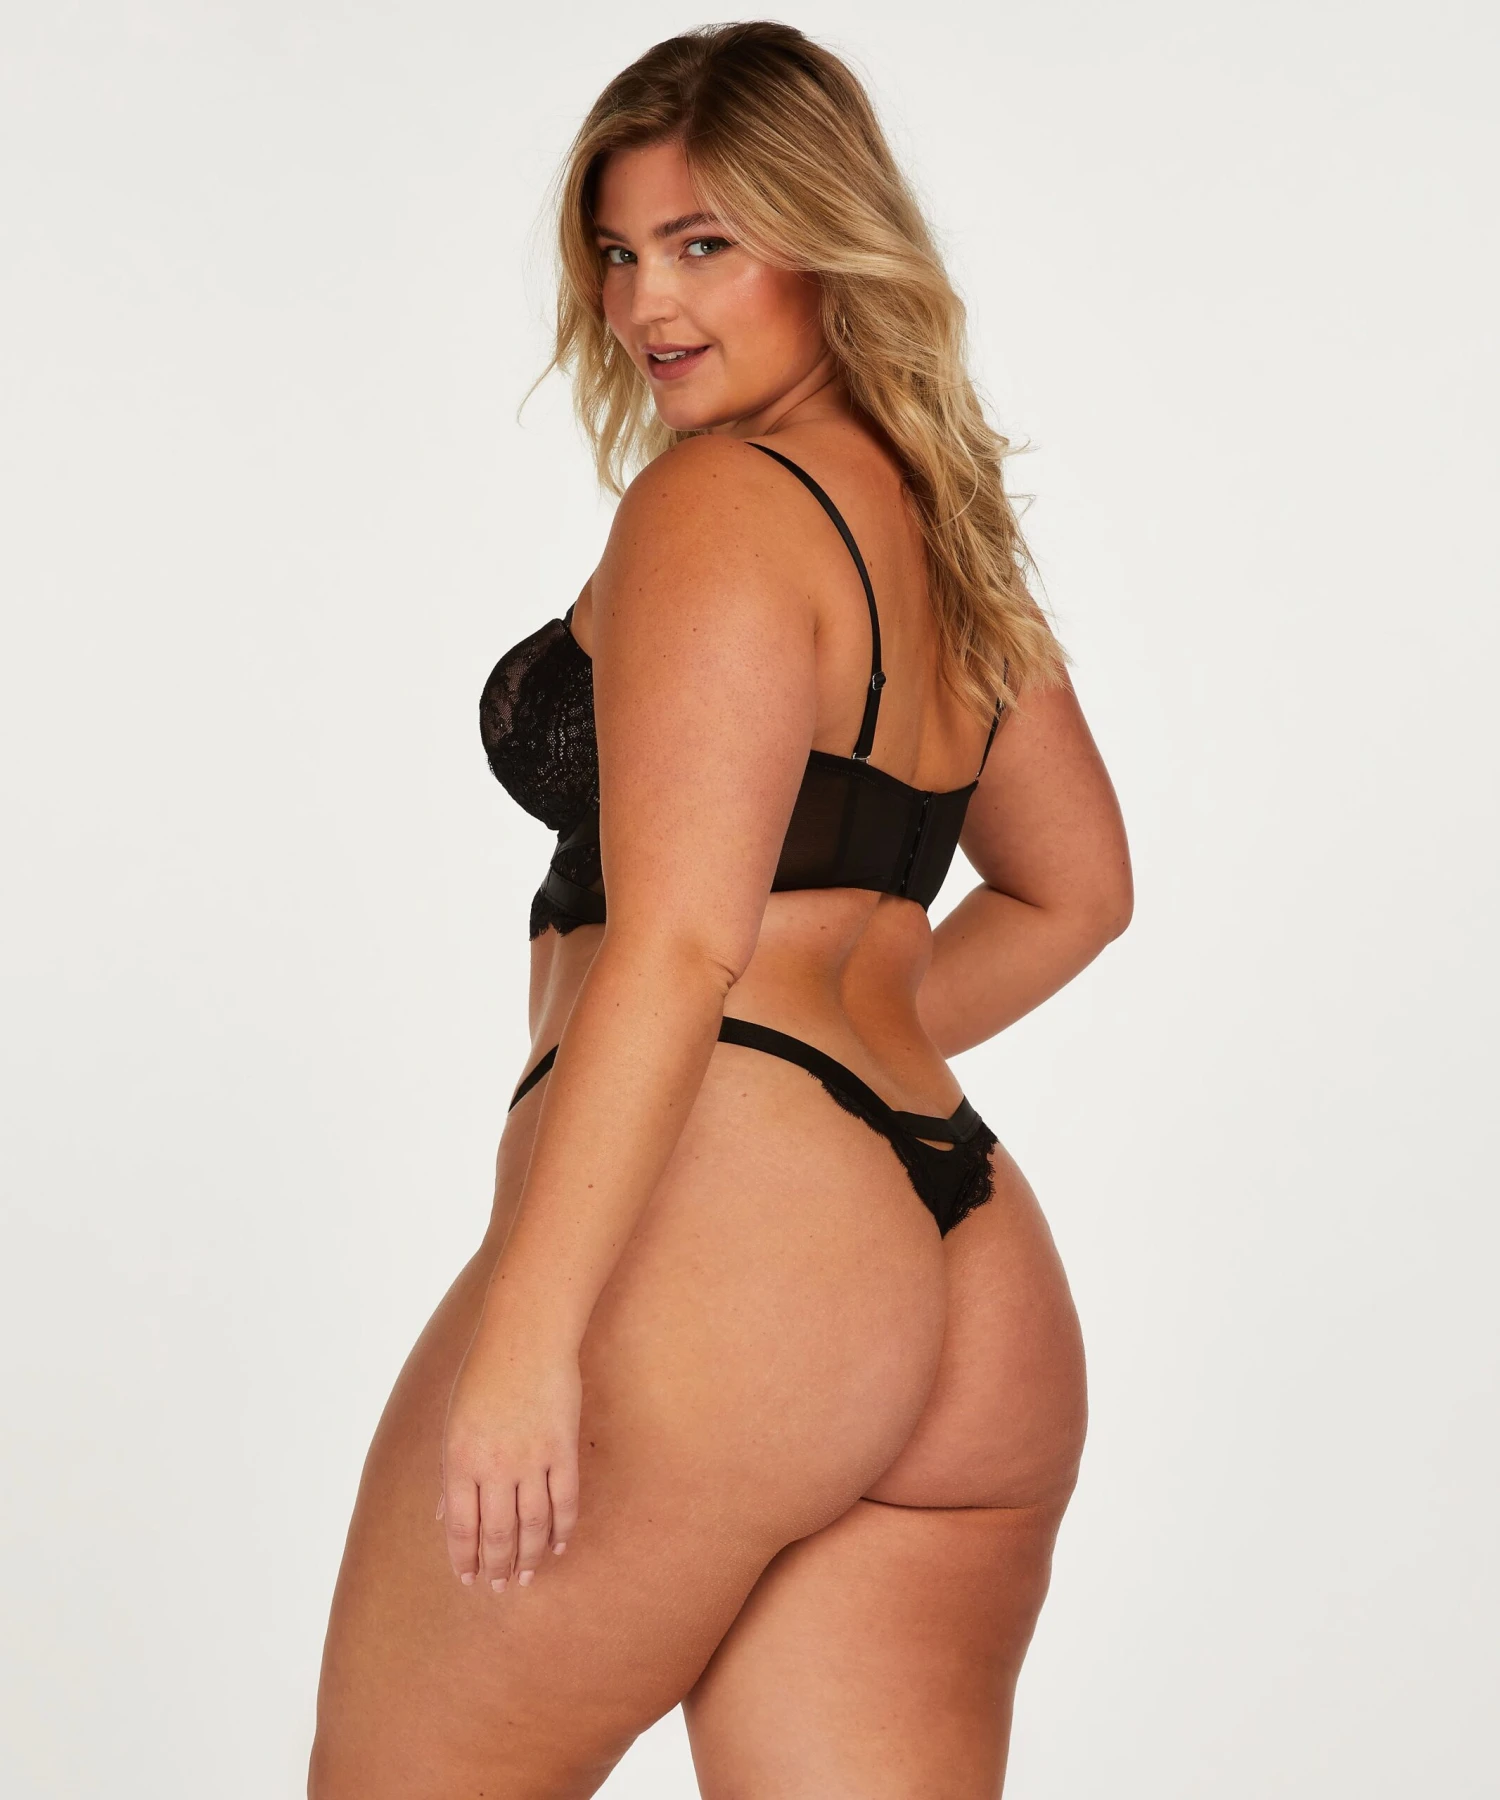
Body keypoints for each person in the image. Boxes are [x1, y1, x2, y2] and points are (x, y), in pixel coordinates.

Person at [309, 21, 1131, 1798]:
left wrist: (530, 1339)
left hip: (729, 1270)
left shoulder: (716, 503)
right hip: (971, 1264)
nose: (645, 304)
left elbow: (683, 943)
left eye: (704, 244)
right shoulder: (945, 528)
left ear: (830, 238)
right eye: (618, 253)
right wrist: (846, 1053)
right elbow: (1076, 893)